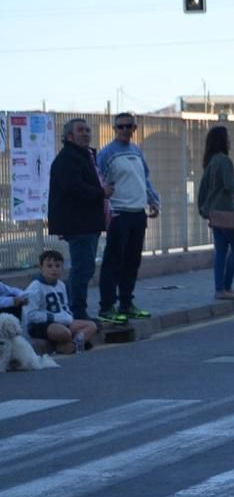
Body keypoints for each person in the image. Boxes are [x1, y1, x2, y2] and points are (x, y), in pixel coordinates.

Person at [97, 112, 160, 324]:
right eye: (120, 126)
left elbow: (145, 179)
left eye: (128, 126)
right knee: (113, 261)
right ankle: (107, 306)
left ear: (134, 129)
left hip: (137, 213)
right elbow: (100, 182)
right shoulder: (107, 154)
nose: (125, 130)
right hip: (119, 213)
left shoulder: (136, 151)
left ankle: (127, 303)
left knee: (132, 261)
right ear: (114, 129)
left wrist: (153, 200)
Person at [48, 118, 113, 320]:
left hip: (88, 222)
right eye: (80, 130)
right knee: (82, 269)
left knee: (85, 268)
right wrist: (101, 192)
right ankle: (77, 312)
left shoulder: (85, 156)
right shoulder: (68, 158)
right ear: (69, 136)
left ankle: (68, 308)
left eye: (87, 130)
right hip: (78, 223)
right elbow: (75, 188)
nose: (86, 133)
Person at [197, 125, 234, 300]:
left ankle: (220, 289)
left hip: (214, 213)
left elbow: (207, 188)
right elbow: (229, 185)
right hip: (226, 212)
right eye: (227, 137)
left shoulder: (210, 162)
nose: (229, 140)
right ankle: (226, 286)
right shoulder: (224, 160)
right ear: (222, 140)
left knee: (220, 251)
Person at [22, 250, 97, 354]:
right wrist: (55, 318)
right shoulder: (35, 287)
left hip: (61, 321)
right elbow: (31, 315)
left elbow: (64, 307)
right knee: (63, 332)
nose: (54, 269)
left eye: (57, 266)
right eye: (49, 266)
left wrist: (68, 317)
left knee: (91, 326)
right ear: (41, 267)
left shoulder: (61, 285)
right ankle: (72, 344)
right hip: (41, 325)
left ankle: (71, 345)